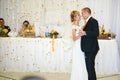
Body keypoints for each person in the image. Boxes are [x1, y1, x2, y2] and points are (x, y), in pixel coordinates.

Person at [80, 7, 99, 80]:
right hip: (89, 48)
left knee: (90, 68)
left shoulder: (93, 21)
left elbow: (96, 33)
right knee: (90, 67)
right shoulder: (88, 21)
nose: (82, 15)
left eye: (82, 13)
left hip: (91, 48)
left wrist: (85, 32)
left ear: (86, 12)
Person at [70, 10, 88, 80]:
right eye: (78, 15)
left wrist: (85, 24)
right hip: (77, 46)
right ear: (74, 17)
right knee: (77, 63)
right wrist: (80, 35)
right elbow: (74, 38)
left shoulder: (78, 25)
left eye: (79, 15)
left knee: (81, 61)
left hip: (81, 46)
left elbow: (82, 30)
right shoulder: (73, 26)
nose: (80, 16)